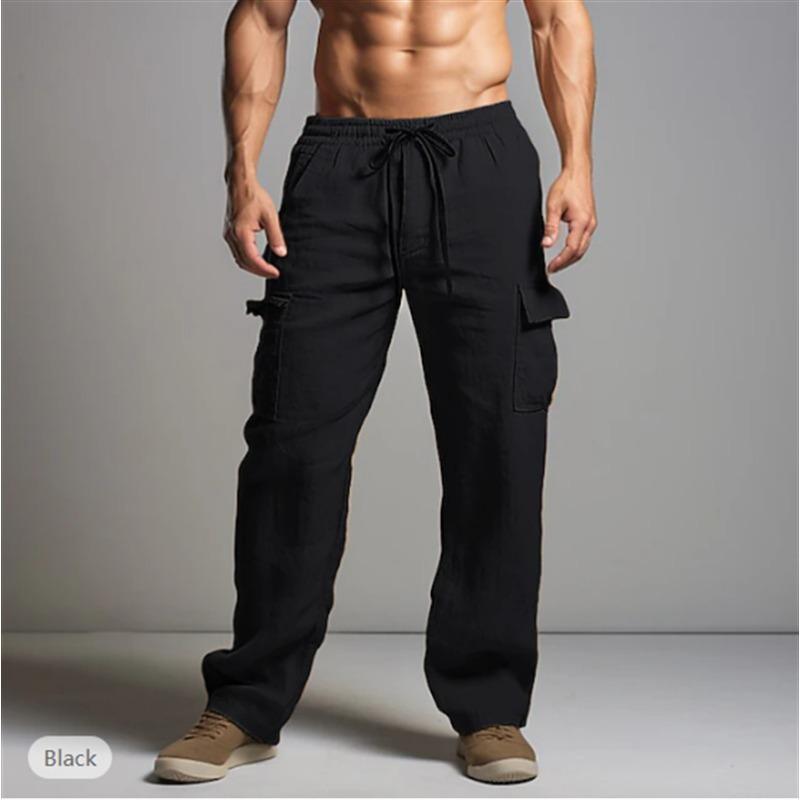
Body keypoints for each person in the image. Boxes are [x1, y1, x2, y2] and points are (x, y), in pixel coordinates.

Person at [155, 0, 596, 785]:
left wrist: (578, 162)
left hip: (480, 158)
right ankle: (246, 704)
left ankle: (489, 708)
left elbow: (557, 18)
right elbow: (261, 18)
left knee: (497, 439)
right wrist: (242, 172)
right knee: (292, 441)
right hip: (340, 167)